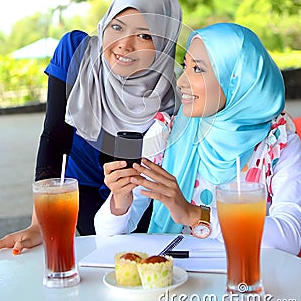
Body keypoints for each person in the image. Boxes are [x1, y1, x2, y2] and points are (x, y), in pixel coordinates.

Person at [0, 0, 182, 255]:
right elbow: (54, 137)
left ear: (164, 42)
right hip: (81, 192)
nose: (124, 45)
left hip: (139, 204)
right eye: (117, 27)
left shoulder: (174, 96)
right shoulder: (76, 52)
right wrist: (40, 222)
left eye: (145, 35)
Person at [95, 23, 301, 255]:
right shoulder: (168, 133)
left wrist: (194, 214)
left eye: (198, 69)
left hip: (246, 283)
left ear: (237, 79)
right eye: (185, 67)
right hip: (176, 281)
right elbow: (107, 234)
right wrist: (121, 200)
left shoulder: (277, 144)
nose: (182, 81)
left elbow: (290, 236)